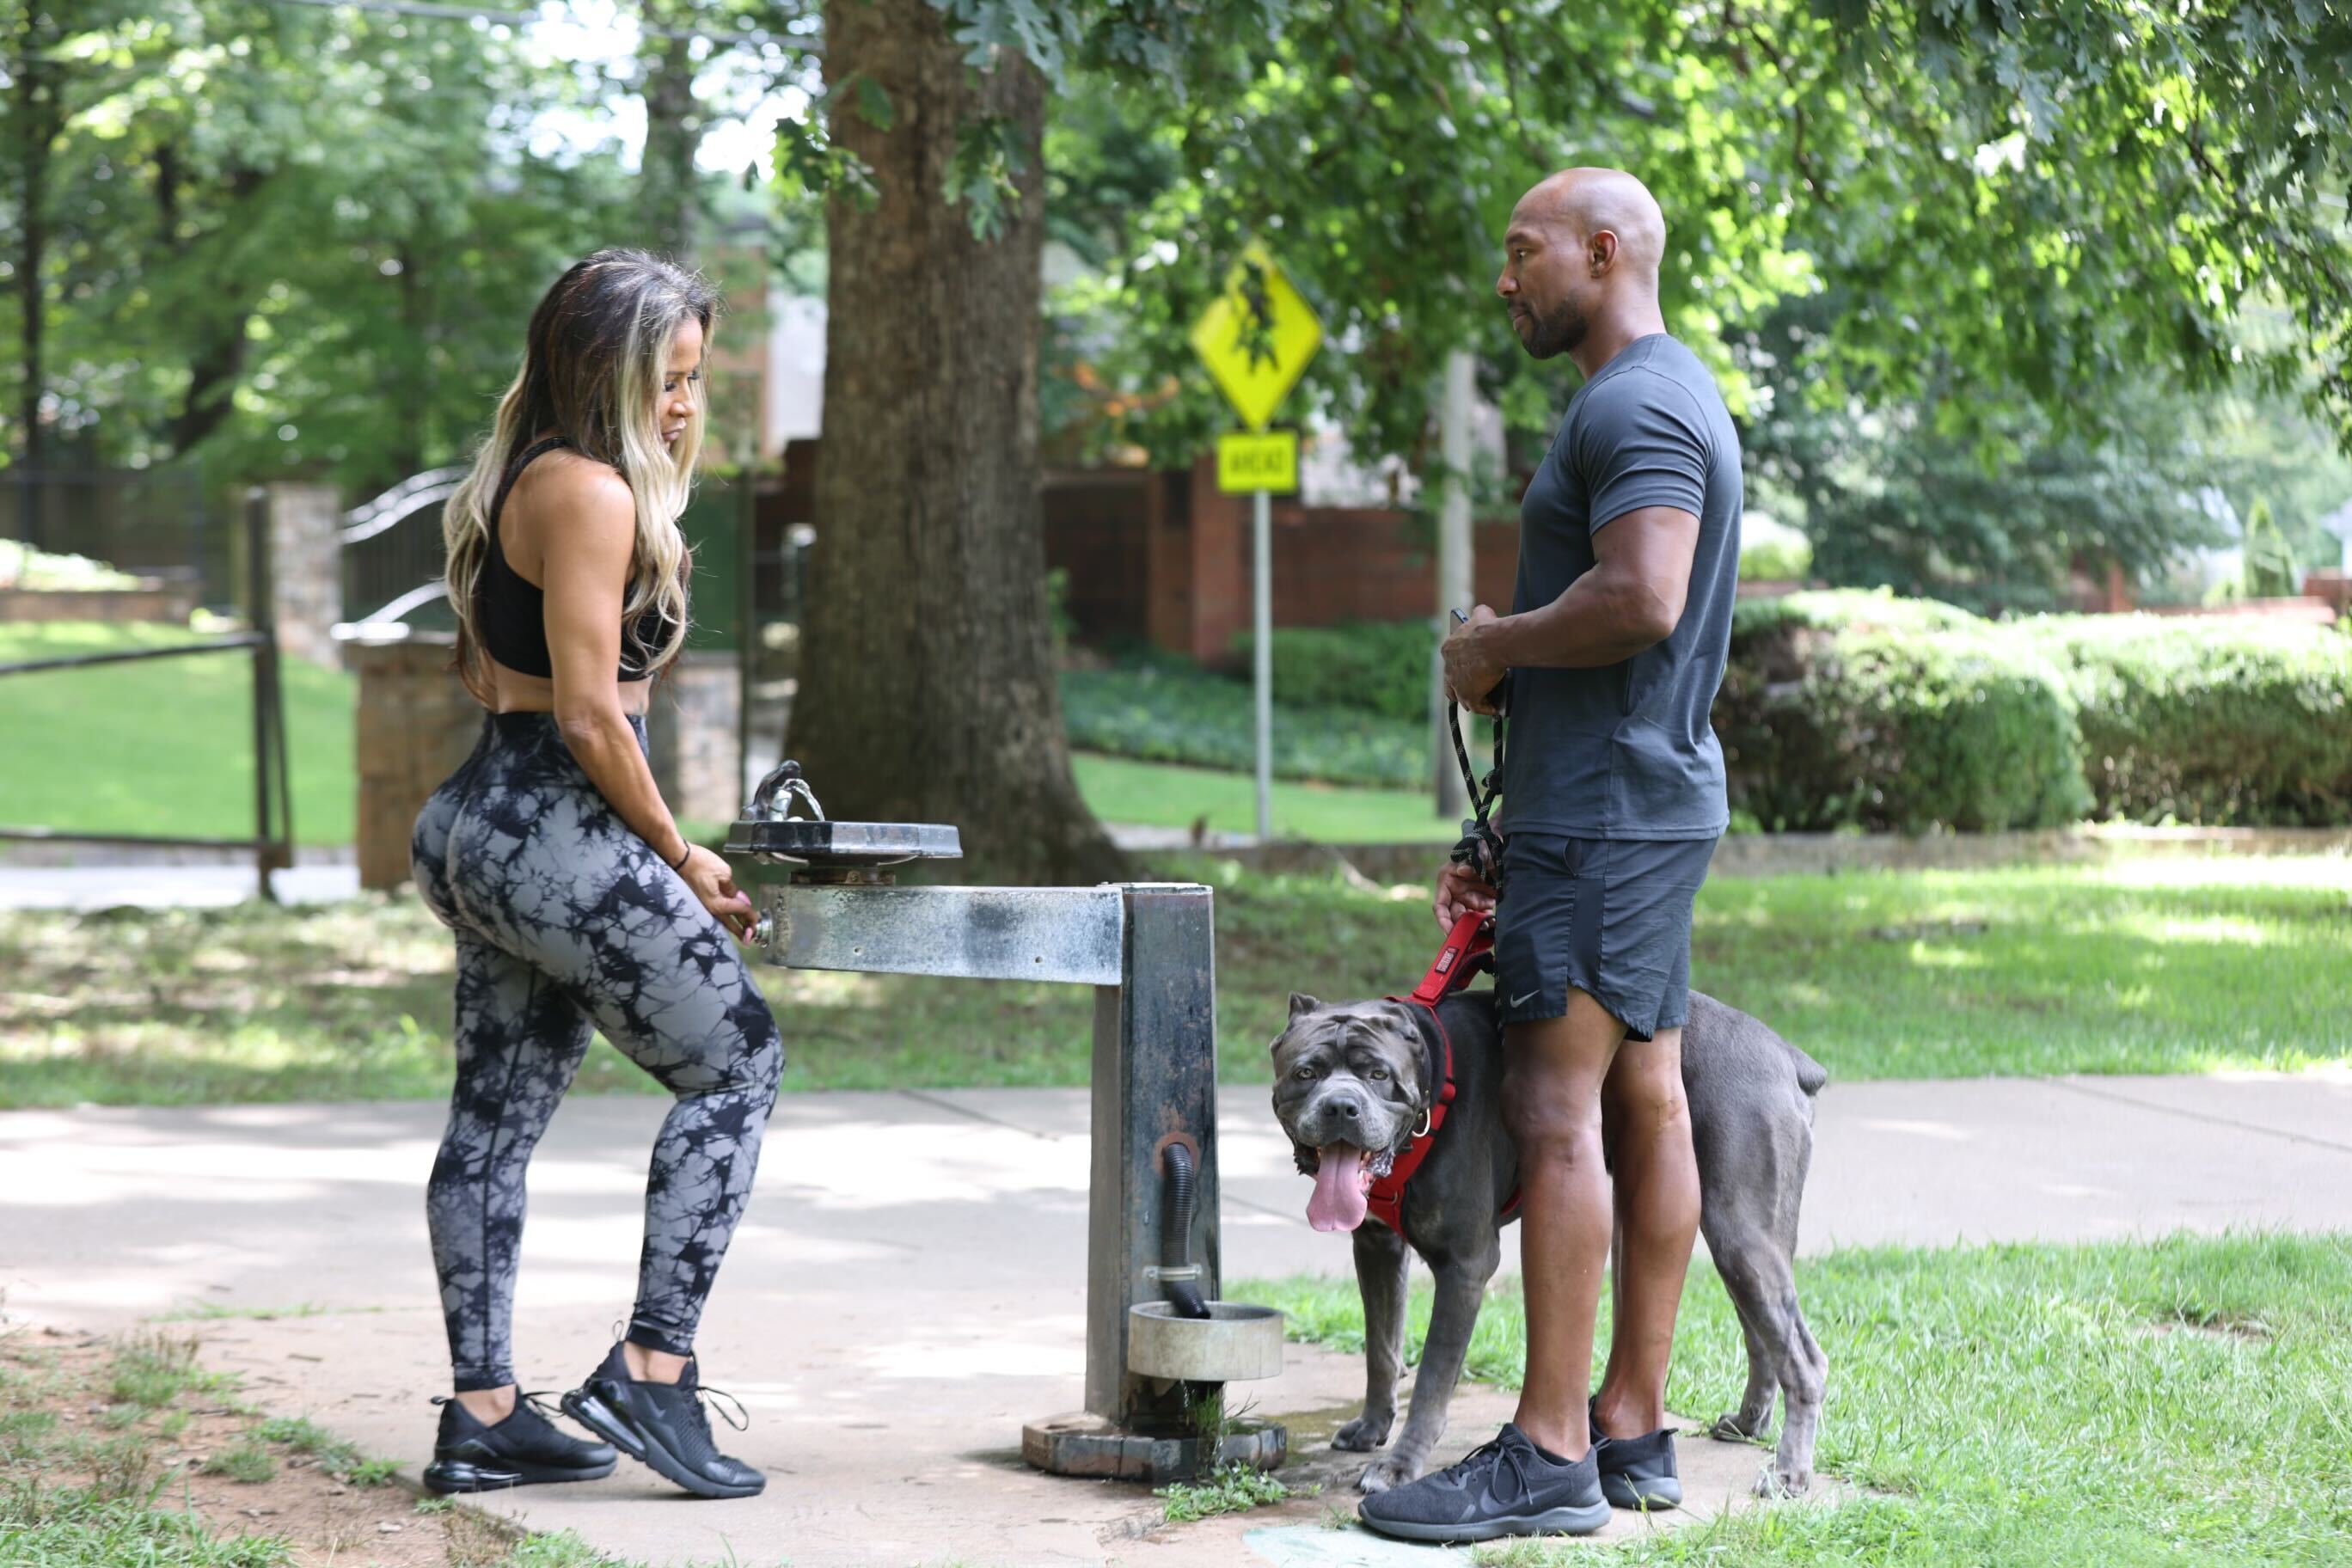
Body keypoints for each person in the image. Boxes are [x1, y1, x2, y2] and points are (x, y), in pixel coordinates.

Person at [1359, 168, 1743, 1544]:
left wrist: (1491, 646)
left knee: (1556, 1111)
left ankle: (1547, 1447)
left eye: (1524, 252)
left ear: (1603, 248)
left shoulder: (1633, 401)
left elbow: (1645, 596)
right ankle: (1632, 1428)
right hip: (1632, 804)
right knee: (1648, 1097)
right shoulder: (1671, 390)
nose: (1507, 279)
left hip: (1605, 819)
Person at [408, 248, 781, 1502]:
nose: (684, 405)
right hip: (552, 828)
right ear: (602, 373)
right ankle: (653, 1373)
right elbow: (588, 717)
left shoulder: (533, 475)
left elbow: (499, 679)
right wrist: (678, 852)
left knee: (494, 1122)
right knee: (737, 1063)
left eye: (692, 381)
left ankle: (487, 1415)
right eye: (666, 381)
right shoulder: (592, 494)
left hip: (483, 820)